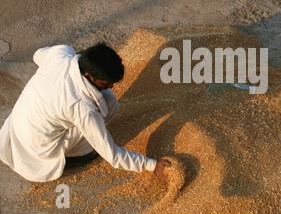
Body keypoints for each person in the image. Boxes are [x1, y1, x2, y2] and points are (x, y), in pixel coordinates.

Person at [0, 43, 171, 183]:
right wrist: (152, 165)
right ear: (88, 75)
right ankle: (75, 156)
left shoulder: (61, 54)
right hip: (39, 152)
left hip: (17, 129)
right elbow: (112, 155)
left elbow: (37, 54)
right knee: (105, 110)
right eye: (106, 82)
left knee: (107, 98)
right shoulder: (82, 108)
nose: (111, 86)